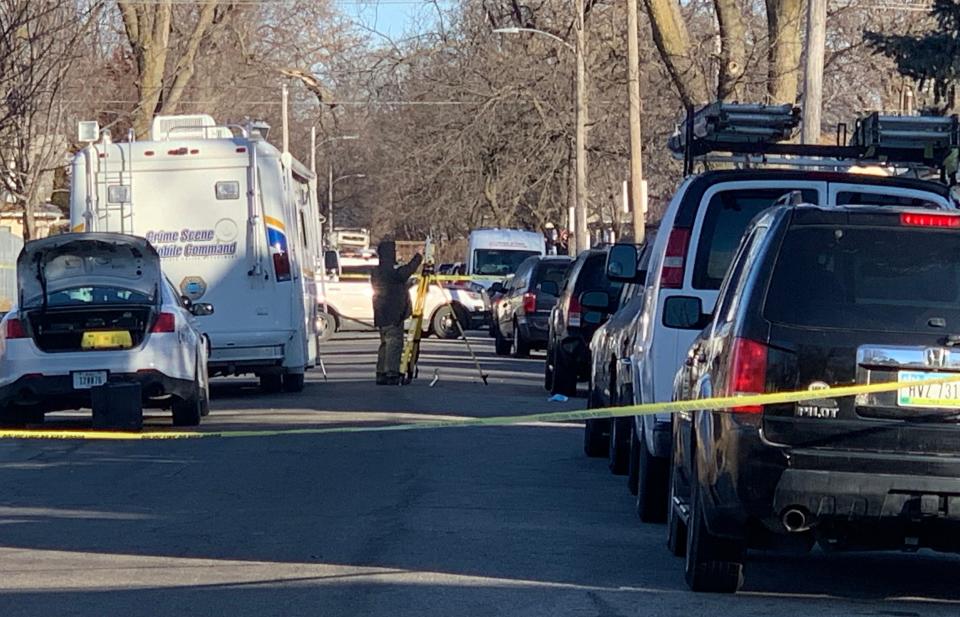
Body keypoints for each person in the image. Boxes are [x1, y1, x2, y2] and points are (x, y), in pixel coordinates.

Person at [371, 239, 423, 385]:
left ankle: (381, 372)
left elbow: (396, 282)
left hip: (382, 313)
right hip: (392, 314)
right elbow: (404, 273)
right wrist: (418, 256)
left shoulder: (379, 271)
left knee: (385, 344)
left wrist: (407, 284)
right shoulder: (389, 270)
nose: (397, 253)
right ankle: (392, 373)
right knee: (394, 343)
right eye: (395, 251)